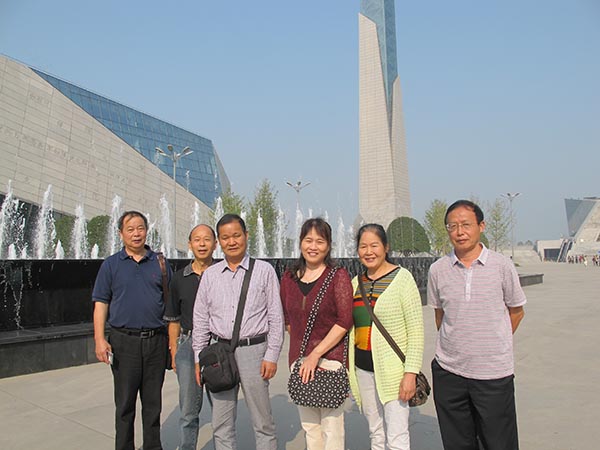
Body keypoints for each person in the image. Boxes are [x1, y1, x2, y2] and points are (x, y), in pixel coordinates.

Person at [427, 200, 526, 450]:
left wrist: (493, 342)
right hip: (449, 372)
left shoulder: (502, 266)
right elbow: (440, 316)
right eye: (452, 226)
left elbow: (516, 311)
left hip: (493, 373)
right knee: (457, 442)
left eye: (466, 225)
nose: (459, 232)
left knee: (499, 442)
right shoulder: (438, 270)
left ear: (481, 226)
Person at [192, 213, 284, 450]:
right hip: (218, 353)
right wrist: (199, 359)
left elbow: (276, 317)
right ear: (218, 242)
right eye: (225, 237)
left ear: (246, 235)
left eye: (236, 235)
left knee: (263, 422)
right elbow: (200, 319)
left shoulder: (264, 271)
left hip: (255, 352)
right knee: (221, 424)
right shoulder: (210, 275)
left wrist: (272, 355)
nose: (231, 242)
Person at [92, 211, 171, 450]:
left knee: (153, 404)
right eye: (130, 229)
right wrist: (99, 339)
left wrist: (172, 342)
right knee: (125, 405)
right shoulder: (111, 265)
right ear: (121, 234)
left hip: (156, 341)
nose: (136, 233)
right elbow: (101, 304)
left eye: (140, 228)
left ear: (147, 231)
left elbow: (171, 305)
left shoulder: (160, 263)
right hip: (123, 343)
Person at [348, 223, 424, 450]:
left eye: (374, 245)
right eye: (363, 246)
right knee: (376, 433)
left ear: (386, 247)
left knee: (397, 437)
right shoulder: (356, 283)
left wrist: (410, 374)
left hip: (394, 372)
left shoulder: (403, 279)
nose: (368, 252)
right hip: (363, 369)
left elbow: (416, 332)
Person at [280, 218, 354, 450]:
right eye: (308, 240)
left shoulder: (337, 276)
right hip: (299, 362)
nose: (313, 246)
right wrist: (303, 355)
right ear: (301, 242)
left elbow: (344, 321)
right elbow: (287, 319)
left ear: (328, 245)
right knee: (310, 426)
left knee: (332, 427)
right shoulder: (288, 278)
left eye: (320, 241)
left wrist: (315, 354)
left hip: (330, 361)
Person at [164, 224, 217, 450]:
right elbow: (174, 318)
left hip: (217, 345)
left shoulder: (223, 274)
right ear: (190, 244)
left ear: (215, 243)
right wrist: (174, 350)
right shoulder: (179, 278)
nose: (202, 244)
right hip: (187, 343)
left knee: (222, 409)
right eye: (197, 239)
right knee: (188, 410)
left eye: (207, 239)